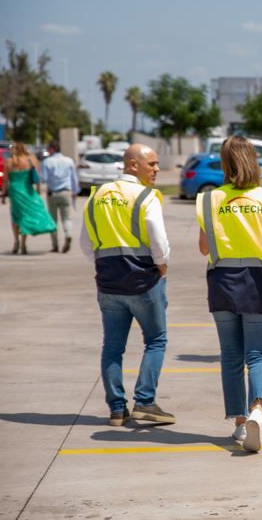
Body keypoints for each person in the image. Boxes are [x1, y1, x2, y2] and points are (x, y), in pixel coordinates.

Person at [197, 135, 262, 452]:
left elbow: (204, 247)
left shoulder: (209, 199)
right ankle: (257, 412)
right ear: (254, 160)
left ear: (224, 163)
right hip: (260, 278)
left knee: (231, 354)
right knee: (259, 353)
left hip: (222, 278)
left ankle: (238, 423)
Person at [79, 144, 174, 427]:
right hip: (144, 281)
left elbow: (86, 245)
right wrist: (162, 264)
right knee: (156, 340)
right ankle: (145, 402)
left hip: (109, 283)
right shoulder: (147, 196)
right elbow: (158, 242)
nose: (157, 169)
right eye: (152, 164)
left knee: (112, 346)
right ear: (132, 165)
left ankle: (117, 409)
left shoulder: (96, 197)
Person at [1, 142, 56, 254]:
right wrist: (38, 190)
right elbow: (37, 177)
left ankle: (16, 241)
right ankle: (23, 243)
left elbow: (5, 180)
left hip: (15, 191)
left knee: (16, 217)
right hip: (27, 190)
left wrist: (3, 195)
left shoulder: (10, 161)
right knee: (26, 215)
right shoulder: (31, 160)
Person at [39, 139, 80, 253]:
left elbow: (43, 179)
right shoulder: (69, 161)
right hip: (66, 192)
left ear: (52, 149)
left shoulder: (47, 162)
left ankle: (55, 245)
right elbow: (74, 178)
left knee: (53, 220)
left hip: (53, 193)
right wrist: (75, 191)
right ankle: (68, 234)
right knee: (66, 218)